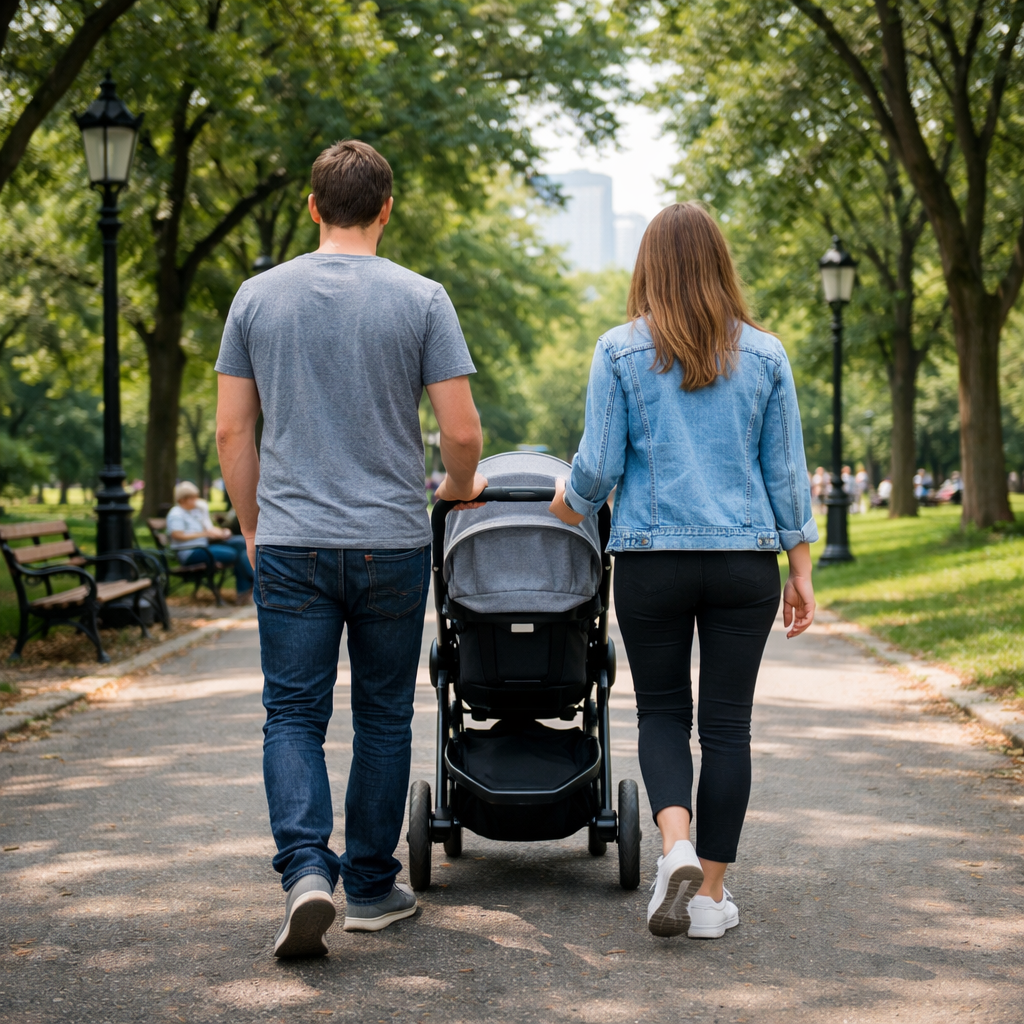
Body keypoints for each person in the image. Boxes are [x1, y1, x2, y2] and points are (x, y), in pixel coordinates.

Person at [215, 139, 485, 958]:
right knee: (381, 713)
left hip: (293, 538)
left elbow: (233, 428)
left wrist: (254, 523)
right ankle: (369, 886)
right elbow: (462, 433)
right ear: (386, 209)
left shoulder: (257, 298)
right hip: (389, 543)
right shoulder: (423, 298)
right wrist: (451, 491)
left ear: (311, 206)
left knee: (292, 712)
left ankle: (304, 869)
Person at [549, 203, 817, 941]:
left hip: (652, 563)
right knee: (729, 729)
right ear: (721, 266)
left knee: (664, 713)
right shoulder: (766, 354)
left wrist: (567, 505)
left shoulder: (619, 350)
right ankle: (709, 903)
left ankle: (676, 848)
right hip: (744, 565)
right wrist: (800, 568)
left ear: (647, 268)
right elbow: (786, 474)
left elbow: (597, 467)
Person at [166, 481, 253, 604]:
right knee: (233, 554)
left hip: (203, 546)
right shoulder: (176, 513)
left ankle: (247, 588)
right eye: (193, 498)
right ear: (183, 499)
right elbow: (177, 535)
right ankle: (248, 586)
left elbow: (207, 529)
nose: (196, 500)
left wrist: (222, 532)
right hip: (190, 552)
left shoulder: (194, 512)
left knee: (240, 542)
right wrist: (204, 534)